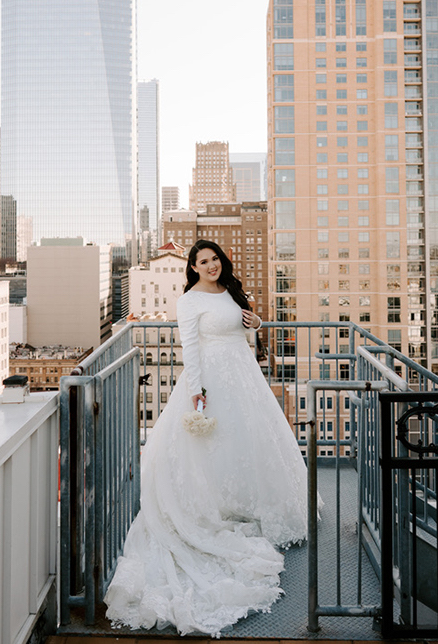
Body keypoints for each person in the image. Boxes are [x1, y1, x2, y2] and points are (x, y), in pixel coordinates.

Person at [104, 239, 314, 637]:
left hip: (244, 375)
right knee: (210, 448)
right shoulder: (190, 300)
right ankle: (213, 508)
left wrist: (257, 323)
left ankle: (247, 503)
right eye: (203, 261)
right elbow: (191, 346)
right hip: (212, 379)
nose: (211, 265)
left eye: (215, 259)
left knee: (249, 442)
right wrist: (197, 388)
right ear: (194, 267)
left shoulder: (229, 290)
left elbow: (246, 329)